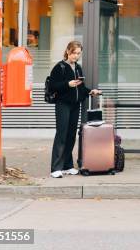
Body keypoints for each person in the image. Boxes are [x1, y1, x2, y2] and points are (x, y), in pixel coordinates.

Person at [49, 40, 101, 178]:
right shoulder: (59, 67)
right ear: (67, 51)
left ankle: (67, 165)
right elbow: (53, 86)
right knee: (62, 134)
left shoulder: (78, 68)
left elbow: (81, 88)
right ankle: (55, 168)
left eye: (78, 53)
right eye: (74, 53)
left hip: (75, 105)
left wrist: (91, 92)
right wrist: (68, 84)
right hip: (63, 104)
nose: (76, 56)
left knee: (71, 135)